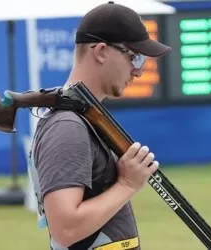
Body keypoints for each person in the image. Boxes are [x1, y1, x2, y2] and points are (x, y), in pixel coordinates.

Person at [29, 1, 172, 249]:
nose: (138, 72)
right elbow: (65, 229)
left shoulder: (82, 119)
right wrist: (127, 184)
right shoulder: (68, 127)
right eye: (135, 58)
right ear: (101, 51)